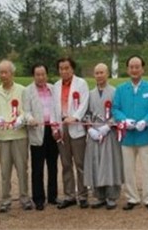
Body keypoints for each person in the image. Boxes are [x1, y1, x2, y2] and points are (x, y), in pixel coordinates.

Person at [113, 55, 148, 211]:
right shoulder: (120, 89)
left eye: (137, 66)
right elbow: (115, 108)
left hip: (145, 135)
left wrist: (146, 121)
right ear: (128, 69)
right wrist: (123, 120)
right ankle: (132, 198)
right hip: (127, 137)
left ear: (143, 69)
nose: (134, 70)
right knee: (128, 169)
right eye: (131, 67)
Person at [0, 60, 32, 212]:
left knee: (22, 168)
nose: (3, 75)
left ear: (12, 73)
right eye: (0, 72)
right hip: (2, 135)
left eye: (6, 72)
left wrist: (22, 119)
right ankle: (5, 200)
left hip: (19, 134)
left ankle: (24, 197)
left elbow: (27, 110)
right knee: (5, 170)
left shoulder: (22, 90)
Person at [84, 63, 123, 210]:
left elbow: (119, 111)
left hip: (109, 133)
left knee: (110, 163)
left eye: (102, 72)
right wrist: (90, 129)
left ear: (107, 74)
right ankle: (99, 196)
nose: (99, 75)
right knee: (95, 162)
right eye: (96, 73)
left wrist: (108, 126)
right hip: (94, 133)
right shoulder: (90, 93)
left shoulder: (115, 92)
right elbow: (86, 113)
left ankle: (112, 196)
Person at [52, 57, 90, 209]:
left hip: (76, 126)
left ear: (72, 69)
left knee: (80, 163)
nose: (64, 71)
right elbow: (54, 108)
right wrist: (55, 128)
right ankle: (69, 195)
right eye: (61, 68)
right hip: (62, 127)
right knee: (66, 163)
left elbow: (84, 102)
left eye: (67, 68)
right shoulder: (56, 86)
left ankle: (83, 195)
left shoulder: (81, 83)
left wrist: (75, 117)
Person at [22, 63, 59, 211]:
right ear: (33, 76)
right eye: (37, 74)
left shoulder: (53, 88)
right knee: (37, 167)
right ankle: (38, 198)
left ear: (47, 75)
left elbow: (57, 108)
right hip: (38, 131)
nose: (41, 77)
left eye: (43, 74)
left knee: (53, 165)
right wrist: (30, 118)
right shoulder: (28, 91)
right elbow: (26, 110)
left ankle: (53, 196)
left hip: (52, 130)